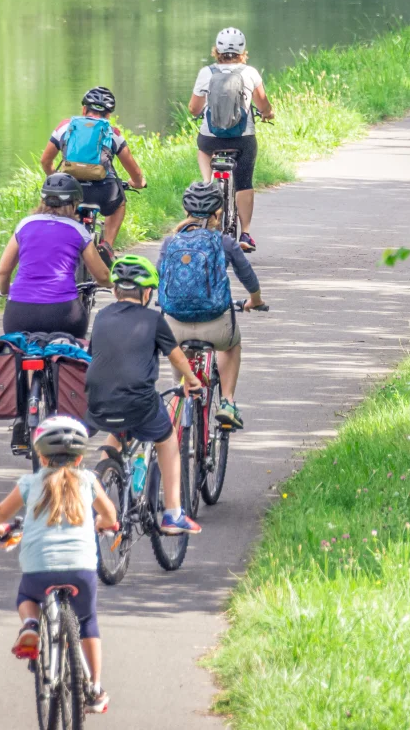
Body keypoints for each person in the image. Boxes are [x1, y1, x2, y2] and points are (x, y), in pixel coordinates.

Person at [0, 415, 120, 715]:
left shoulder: (30, 483)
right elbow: (109, 514)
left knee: (27, 597)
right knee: (87, 621)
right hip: (81, 569)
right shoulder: (88, 481)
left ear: (40, 455)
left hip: (38, 568)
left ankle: (30, 625)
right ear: (81, 456)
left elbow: (3, 511)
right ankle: (94, 688)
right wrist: (105, 524)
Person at [84, 254, 207, 535]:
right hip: (138, 403)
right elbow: (176, 356)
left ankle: (98, 486)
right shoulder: (153, 319)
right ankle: (174, 513)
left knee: (114, 434)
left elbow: (95, 355)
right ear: (148, 292)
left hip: (98, 400)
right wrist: (191, 380)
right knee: (167, 440)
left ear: (115, 290)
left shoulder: (102, 316)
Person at [159, 182, 266, 431]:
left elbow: (159, 277)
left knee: (182, 380)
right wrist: (256, 300)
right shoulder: (225, 242)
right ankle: (227, 402)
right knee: (231, 345)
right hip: (216, 327)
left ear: (186, 211)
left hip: (175, 328)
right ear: (218, 213)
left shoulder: (170, 243)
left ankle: (177, 406)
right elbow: (247, 276)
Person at [190, 27, 275, 254]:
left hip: (211, 139)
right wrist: (268, 114)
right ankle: (245, 233)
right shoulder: (250, 73)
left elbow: (193, 108)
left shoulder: (206, 73)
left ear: (216, 50)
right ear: (242, 51)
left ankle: (209, 185)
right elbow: (263, 104)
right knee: (244, 182)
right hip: (242, 139)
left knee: (203, 148)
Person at [0, 173, 114, 336]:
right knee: (74, 355)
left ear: (43, 200)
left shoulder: (25, 225)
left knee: (16, 353)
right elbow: (101, 275)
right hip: (63, 314)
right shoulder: (78, 230)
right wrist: (113, 285)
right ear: (74, 204)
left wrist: (5, 291)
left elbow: (3, 271)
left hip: (18, 314)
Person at [38, 87, 146, 260]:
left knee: (55, 212)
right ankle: (107, 247)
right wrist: (138, 182)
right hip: (102, 191)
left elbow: (45, 161)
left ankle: (55, 247)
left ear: (83, 110)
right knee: (120, 204)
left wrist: (54, 178)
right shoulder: (113, 133)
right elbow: (134, 170)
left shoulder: (64, 127)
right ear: (108, 115)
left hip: (69, 191)